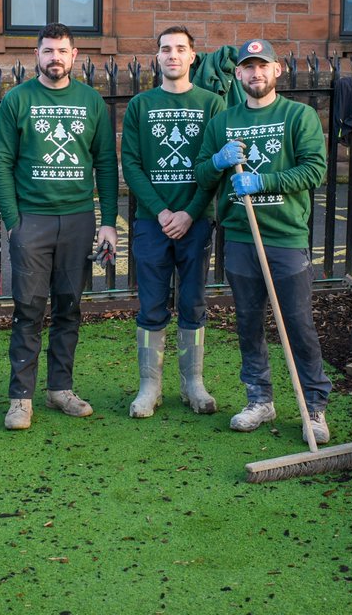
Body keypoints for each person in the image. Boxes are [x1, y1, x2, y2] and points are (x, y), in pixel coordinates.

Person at [195, 39, 333, 443]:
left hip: (286, 238)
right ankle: (260, 399)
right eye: (247, 67)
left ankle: (314, 407)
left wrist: (264, 181)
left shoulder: (298, 115)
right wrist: (218, 161)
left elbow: (314, 170)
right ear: (237, 74)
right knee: (248, 323)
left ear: (277, 71)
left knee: (297, 325)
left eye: (263, 66)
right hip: (240, 237)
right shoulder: (223, 120)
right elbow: (203, 174)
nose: (255, 73)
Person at [0, 22, 119, 430]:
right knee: (28, 307)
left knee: (69, 306)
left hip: (79, 219)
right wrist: (13, 222)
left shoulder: (91, 102)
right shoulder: (17, 100)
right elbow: (1, 164)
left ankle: (60, 388)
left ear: (75, 55)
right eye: (48, 51)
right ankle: (20, 397)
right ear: (37, 55)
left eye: (62, 51)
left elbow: (105, 165)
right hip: (33, 221)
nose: (55, 58)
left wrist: (108, 222)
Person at [122, 25, 226, 418]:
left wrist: (190, 212)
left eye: (180, 49)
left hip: (196, 220)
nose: (172, 55)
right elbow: (130, 164)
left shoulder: (212, 104)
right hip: (153, 221)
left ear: (192, 56)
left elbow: (215, 168)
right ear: (158, 57)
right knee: (151, 304)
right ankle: (150, 386)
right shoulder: (141, 105)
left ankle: (192, 383)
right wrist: (163, 211)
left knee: (194, 301)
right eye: (165, 49)